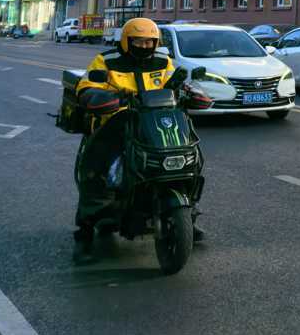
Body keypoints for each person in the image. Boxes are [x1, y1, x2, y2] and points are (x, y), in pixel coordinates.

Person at [71, 17, 202, 264]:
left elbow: (176, 84)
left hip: (154, 122)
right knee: (96, 170)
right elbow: (88, 86)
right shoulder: (107, 60)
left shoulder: (163, 61)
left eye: (149, 42)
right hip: (116, 123)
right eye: (138, 42)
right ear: (126, 41)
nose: (144, 46)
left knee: (185, 159)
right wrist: (97, 96)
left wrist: (190, 92)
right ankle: (84, 233)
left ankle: (187, 215)